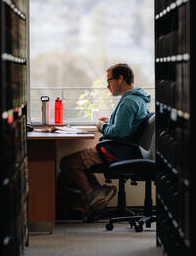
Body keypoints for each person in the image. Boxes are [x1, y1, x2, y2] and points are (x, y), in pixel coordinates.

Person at [60, 63, 151, 218]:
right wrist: (110, 122)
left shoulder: (128, 102)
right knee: (79, 163)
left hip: (115, 150)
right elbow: (126, 127)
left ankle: (94, 195)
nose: (108, 86)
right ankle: (99, 193)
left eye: (109, 81)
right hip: (125, 149)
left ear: (120, 79)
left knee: (67, 163)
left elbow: (119, 133)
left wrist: (101, 126)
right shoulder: (138, 98)